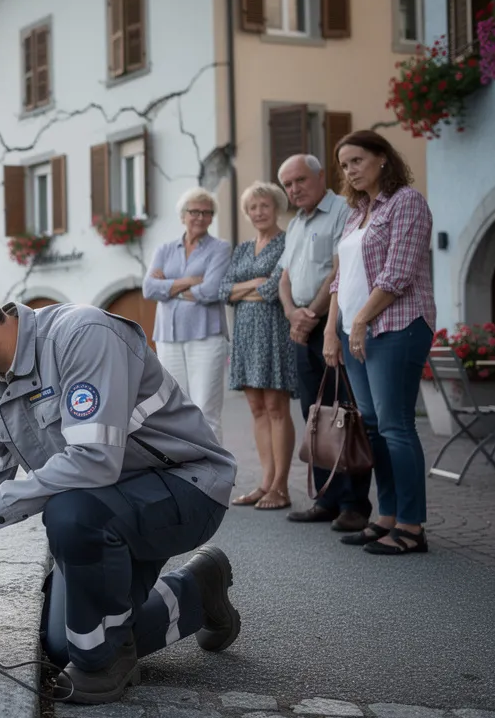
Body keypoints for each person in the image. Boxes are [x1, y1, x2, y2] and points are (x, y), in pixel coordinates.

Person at [0, 256, 241, 705]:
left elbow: (94, 461)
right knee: (62, 645)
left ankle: (103, 667)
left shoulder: (82, 335)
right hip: (110, 506)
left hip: (187, 485)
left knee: (70, 515)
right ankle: (197, 589)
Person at [323, 131, 436, 555]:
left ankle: (411, 526)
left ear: (383, 158)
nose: (350, 170)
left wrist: (359, 322)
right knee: (373, 428)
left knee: (396, 426)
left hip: (397, 325)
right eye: (345, 164)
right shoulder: (357, 214)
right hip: (357, 329)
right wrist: (333, 329)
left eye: (357, 160)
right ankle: (385, 516)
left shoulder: (407, 201)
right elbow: (339, 279)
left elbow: (398, 273)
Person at [277, 154, 373, 532]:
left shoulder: (342, 211)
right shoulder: (297, 223)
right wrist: (291, 314)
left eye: (300, 180)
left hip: (330, 323)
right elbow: (284, 277)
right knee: (314, 414)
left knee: (343, 413)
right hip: (300, 326)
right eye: (287, 184)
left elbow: (339, 270)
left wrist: (312, 315)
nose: (294, 189)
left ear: (320, 177)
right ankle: (326, 498)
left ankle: (354, 503)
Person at [218, 182, 297, 510]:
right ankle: (265, 482)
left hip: (276, 331)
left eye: (265, 206)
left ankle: (281, 485)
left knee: (277, 407)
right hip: (246, 336)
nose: (259, 212)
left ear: (276, 207)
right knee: (257, 408)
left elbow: (275, 288)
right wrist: (254, 284)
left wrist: (245, 288)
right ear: (247, 213)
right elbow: (223, 290)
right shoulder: (242, 248)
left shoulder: (288, 241)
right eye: (253, 208)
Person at [143, 187, 233, 442]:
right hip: (168, 337)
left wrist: (169, 285)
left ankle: (215, 472)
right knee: (174, 408)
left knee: (206, 409)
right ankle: (184, 470)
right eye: (195, 211)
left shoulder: (220, 249)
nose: (201, 217)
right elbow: (149, 289)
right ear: (183, 215)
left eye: (207, 212)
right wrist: (189, 281)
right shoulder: (164, 249)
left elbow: (211, 290)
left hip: (206, 337)